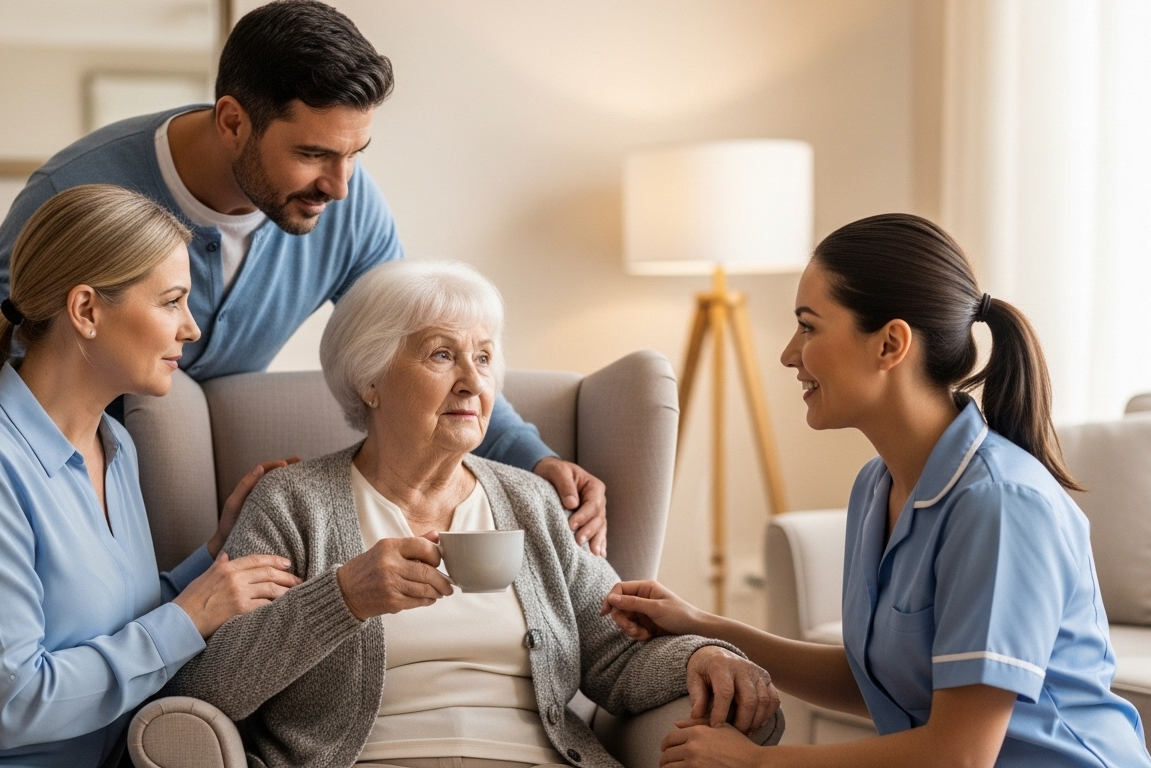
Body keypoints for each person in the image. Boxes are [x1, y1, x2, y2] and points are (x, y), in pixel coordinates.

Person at [0, 0, 609, 554]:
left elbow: (422, 343)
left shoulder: (347, 208)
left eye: (355, 154)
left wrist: (537, 459)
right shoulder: (83, 187)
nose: (340, 187)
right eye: (314, 154)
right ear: (232, 121)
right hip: (61, 489)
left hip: (185, 494)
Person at [165, 260, 783, 768]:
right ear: (369, 381)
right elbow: (210, 685)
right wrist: (342, 598)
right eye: (442, 355)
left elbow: (615, 651)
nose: (472, 382)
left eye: (484, 358)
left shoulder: (530, 500)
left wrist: (702, 656)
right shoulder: (293, 504)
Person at [601, 214, 1151, 768]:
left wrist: (757, 763)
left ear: (890, 344)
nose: (789, 354)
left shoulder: (999, 505)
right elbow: (877, 680)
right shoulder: (877, 485)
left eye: (808, 327)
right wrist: (700, 623)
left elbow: (959, 757)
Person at [0, 185, 304, 767]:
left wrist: (215, 555)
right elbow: (14, 704)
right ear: (86, 310)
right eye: (171, 302)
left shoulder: (114, 445)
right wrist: (193, 616)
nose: (190, 328)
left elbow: (114, 625)